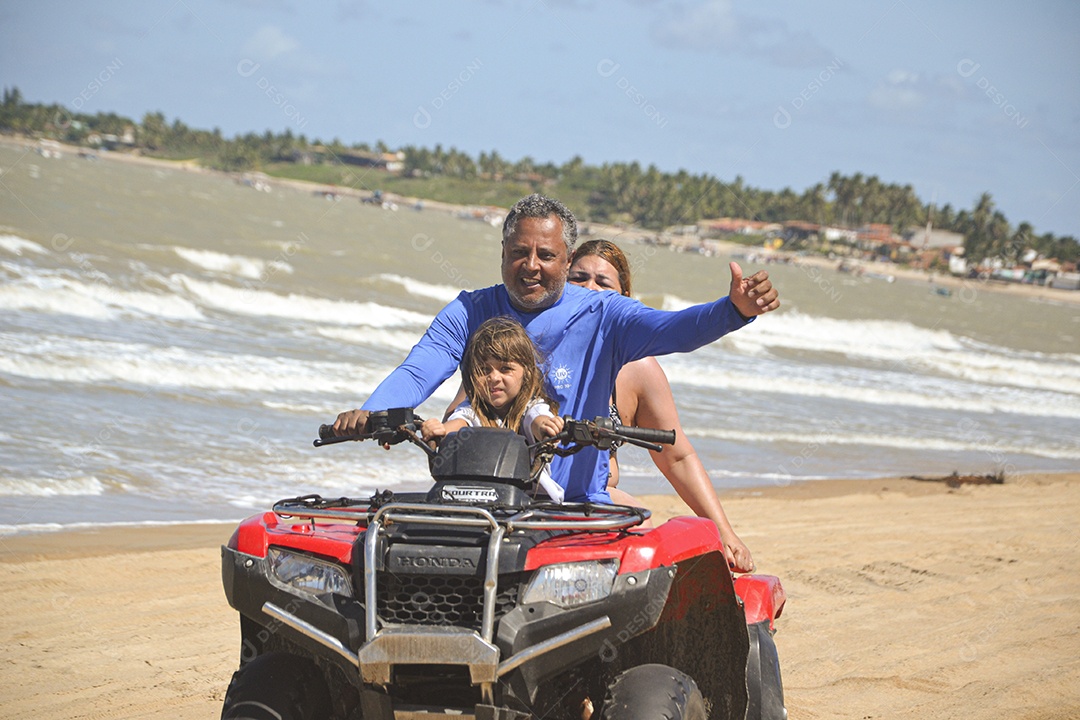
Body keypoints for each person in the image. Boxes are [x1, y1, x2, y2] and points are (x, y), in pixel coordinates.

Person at [333, 193, 780, 505]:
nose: (531, 266)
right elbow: (418, 371)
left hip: (572, 504)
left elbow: (674, 330)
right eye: (518, 253)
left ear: (567, 261)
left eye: (546, 255)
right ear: (503, 254)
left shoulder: (605, 313)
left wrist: (732, 310)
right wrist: (372, 413)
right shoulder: (470, 310)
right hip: (477, 493)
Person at [568, 239, 754, 572]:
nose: (589, 289)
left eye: (602, 282)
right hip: (529, 496)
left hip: (596, 501)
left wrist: (725, 533)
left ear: (624, 299)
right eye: (578, 278)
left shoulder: (638, 371)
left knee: (653, 559)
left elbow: (677, 456)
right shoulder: (524, 346)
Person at [419, 316, 566, 502]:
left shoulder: (531, 408)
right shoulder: (473, 410)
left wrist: (548, 427)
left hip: (533, 504)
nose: (494, 377)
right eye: (484, 369)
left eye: (505, 369)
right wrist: (439, 431)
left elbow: (538, 420)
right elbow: (458, 423)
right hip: (476, 499)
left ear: (527, 372)